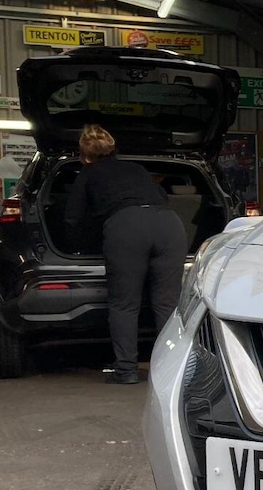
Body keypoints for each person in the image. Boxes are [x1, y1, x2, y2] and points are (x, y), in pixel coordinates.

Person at [64, 124, 188, 384]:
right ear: (112, 148)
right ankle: (172, 372)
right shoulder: (137, 169)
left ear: (84, 155)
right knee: (167, 304)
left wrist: (81, 246)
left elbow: (73, 218)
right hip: (169, 225)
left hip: (128, 228)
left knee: (124, 304)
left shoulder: (88, 173)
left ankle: (126, 370)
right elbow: (162, 197)